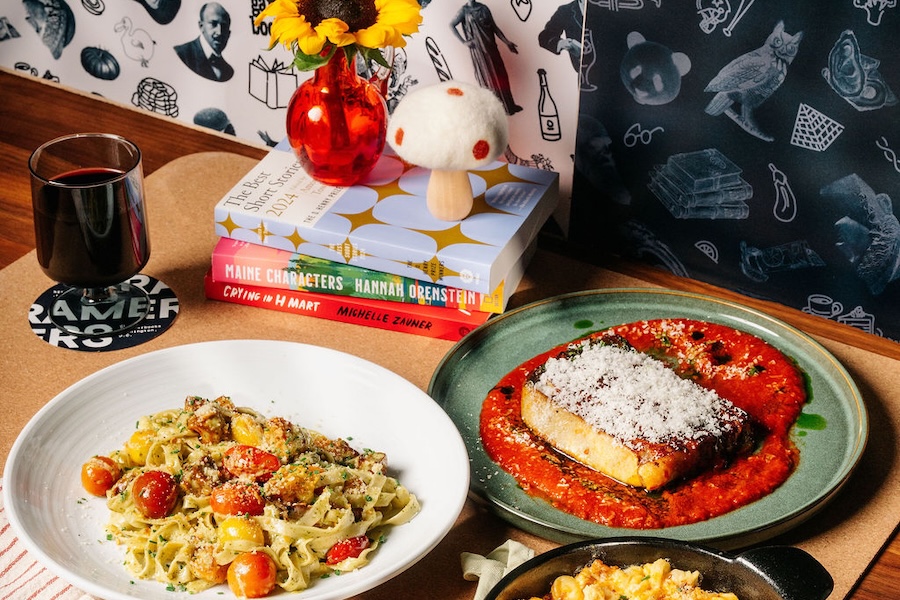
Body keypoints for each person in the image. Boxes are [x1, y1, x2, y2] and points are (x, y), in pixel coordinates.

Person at [450, 0, 522, 115]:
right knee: (487, 76)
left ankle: (509, 105)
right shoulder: (464, 11)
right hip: (479, 50)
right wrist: (464, 42)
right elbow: (452, 25)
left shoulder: (484, 8)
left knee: (500, 74)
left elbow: (494, 27)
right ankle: (495, 109)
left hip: (491, 46)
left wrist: (507, 42)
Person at [174, 2, 233, 82]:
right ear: (201, 26)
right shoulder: (180, 54)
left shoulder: (228, 71)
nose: (219, 32)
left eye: (224, 26)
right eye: (213, 24)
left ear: (229, 34)